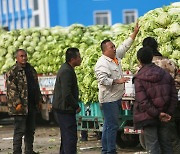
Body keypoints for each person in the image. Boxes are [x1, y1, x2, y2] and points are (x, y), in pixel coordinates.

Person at [94, 23, 139, 154]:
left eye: (114, 46)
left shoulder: (116, 57)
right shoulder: (101, 63)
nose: (114, 48)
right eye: (111, 47)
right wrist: (117, 80)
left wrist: (134, 33)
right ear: (104, 50)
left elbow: (125, 46)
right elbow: (102, 79)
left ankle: (106, 150)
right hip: (108, 99)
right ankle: (110, 151)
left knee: (109, 125)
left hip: (116, 97)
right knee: (112, 126)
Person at [133, 47, 178, 154]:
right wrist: (168, 113)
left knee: (153, 146)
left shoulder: (139, 78)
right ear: (151, 58)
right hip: (165, 116)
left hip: (148, 117)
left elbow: (143, 101)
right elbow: (174, 95)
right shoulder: (166, 74)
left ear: (139, 60)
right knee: (166, 144)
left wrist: (157, 114)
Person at [142, 37, 180, 153]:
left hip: (150, 108)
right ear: (157, 47)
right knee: (170, 138)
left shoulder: (143, 66)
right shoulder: (170, 63)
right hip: (168, 106)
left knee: (152, 141)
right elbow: (178, 83)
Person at [6, 49, 43, 154]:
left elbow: (36, 86)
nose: (24, 58)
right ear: (16, 58)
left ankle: (29, 151)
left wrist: (39, 100)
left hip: (31, 105)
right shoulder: (13, 72)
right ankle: (17, 151)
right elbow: (11, 90)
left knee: (30, 130)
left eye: (25, 56)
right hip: (20, 107)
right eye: (21, 56)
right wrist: (17, 103)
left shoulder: (31, 70)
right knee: (19, 130)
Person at [52, 47, 81, 154]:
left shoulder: (67, 69)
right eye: (79, 57)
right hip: (64, 110)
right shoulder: (66, 71)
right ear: (73, 59)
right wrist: (76, 106)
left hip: (63, 109)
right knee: (70, 139)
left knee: (66, 138)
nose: (80, 59)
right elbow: (66, 94)